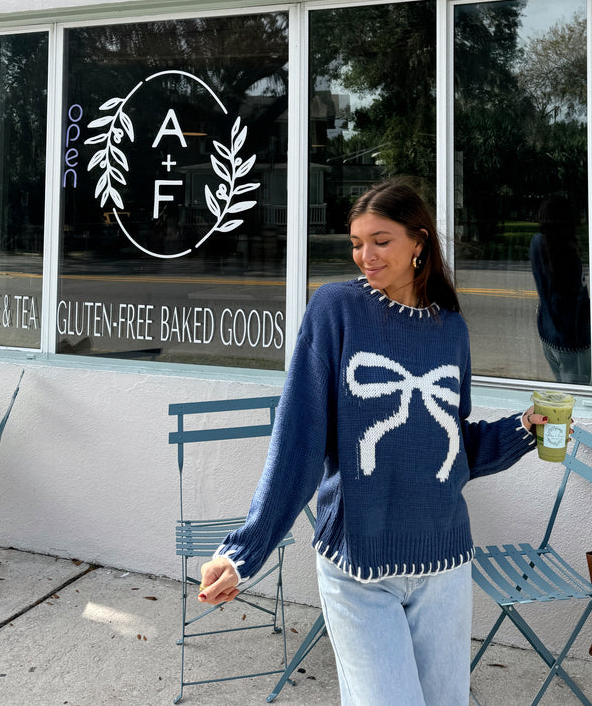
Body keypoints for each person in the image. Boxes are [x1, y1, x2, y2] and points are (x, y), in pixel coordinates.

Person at [199, 180, 551, 706]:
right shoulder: (335, 310)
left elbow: (450, 447)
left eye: (380, 240)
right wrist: (245, 552)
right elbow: (298, 442)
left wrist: (522, 430)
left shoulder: (450, 329)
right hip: (359, 563)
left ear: (419, 243)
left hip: (444, 561)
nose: (366, 255)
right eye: (357, 243)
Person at [529, 194, 591, 386]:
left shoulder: (537, 243)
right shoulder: (566, 254)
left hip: (548, 335)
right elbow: (571, 301)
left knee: (564, 390)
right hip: (573, 342)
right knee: (577, 398)